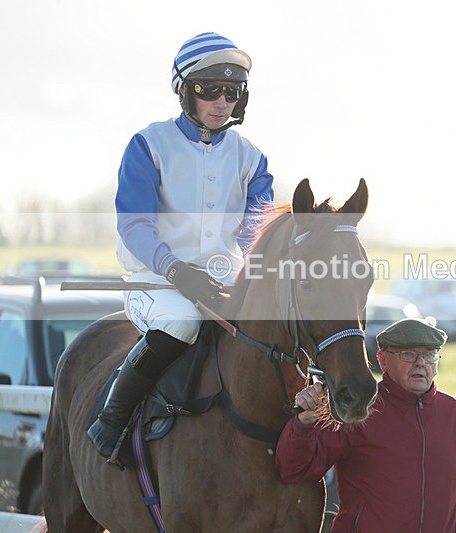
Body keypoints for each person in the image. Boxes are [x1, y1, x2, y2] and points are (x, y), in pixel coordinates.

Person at [87, 32, 273, 467]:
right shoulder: (148, 145)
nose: (222, 102)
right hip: (156, 281)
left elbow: (254, 232)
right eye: (210, 90)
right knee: (182, 322)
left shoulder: (253, 158)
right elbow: (135, 226)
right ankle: (111, 422)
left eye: (232, 92)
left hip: (223, 279)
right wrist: (178, 272)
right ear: (185, 90)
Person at [275, 318, 456, 532]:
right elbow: (294, 470)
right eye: (408, 354)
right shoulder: (357, 408)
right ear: (382, 360)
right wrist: (304, 423)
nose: (420, 363)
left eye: (429, 354)